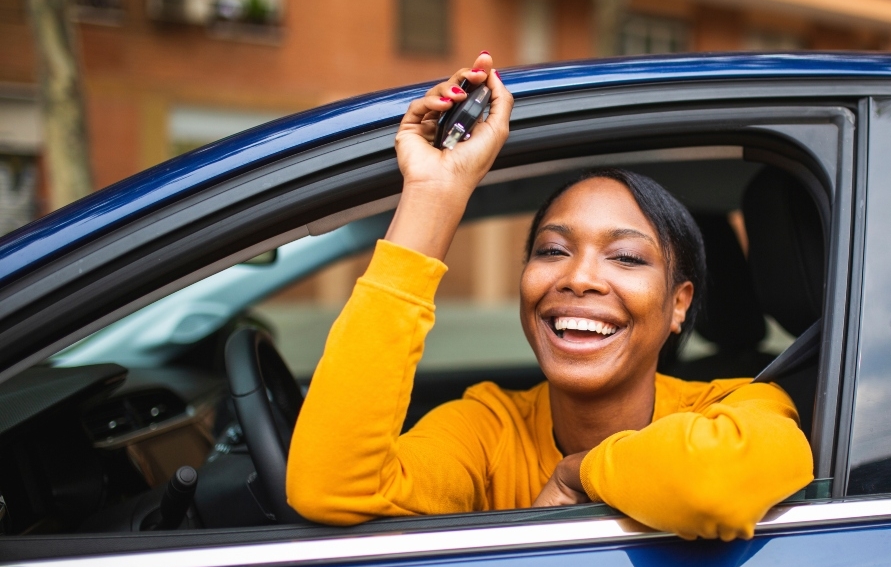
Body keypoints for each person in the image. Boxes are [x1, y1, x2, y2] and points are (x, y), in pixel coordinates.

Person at [287, 52, 813, 541]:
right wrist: (434, 192)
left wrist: (575, 474)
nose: (578, 278)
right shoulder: (486, 426)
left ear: (679, 304)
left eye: (626, 258)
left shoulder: (739, 404)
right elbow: (332, 486)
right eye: (552, 251)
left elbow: (711, 487)